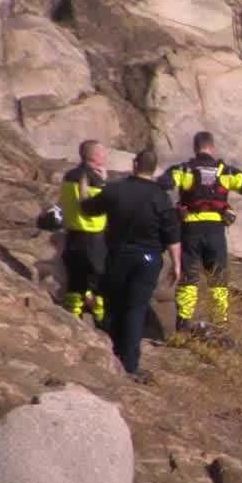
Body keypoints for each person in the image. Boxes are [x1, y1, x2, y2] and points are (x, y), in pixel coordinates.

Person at [81, 149, 181, 380]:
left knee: (114, 305)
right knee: (136, 308)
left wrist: (88, 186)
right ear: (154, 169)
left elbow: (88, 208)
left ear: (135, 164)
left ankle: (113, 355)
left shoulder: (117, 189)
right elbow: (172, 232)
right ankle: (131, 365)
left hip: (118, 256)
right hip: (148, 259)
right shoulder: (160, 196)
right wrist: (176, 264)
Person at [158, 131, 242, 333]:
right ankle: (219, 324)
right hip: (215, 232)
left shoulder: (184, 170)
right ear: (212, 148)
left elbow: (163, 184)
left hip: (190, 230)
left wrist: (176, 209)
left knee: (189, 278)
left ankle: (184, 324)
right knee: (217, 279)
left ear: (195, 148)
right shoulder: (225, 172)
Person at [59, 140, 107, 327]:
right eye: (103, 153)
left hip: (72, 234)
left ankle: (74, 318)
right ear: (94, 156)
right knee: (98, 279)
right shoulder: (94, 179)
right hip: (93, 235)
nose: (106, 156)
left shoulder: (68, 175)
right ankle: (100, 320)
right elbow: (99, 205)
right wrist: (104, 182)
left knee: (75, 279)